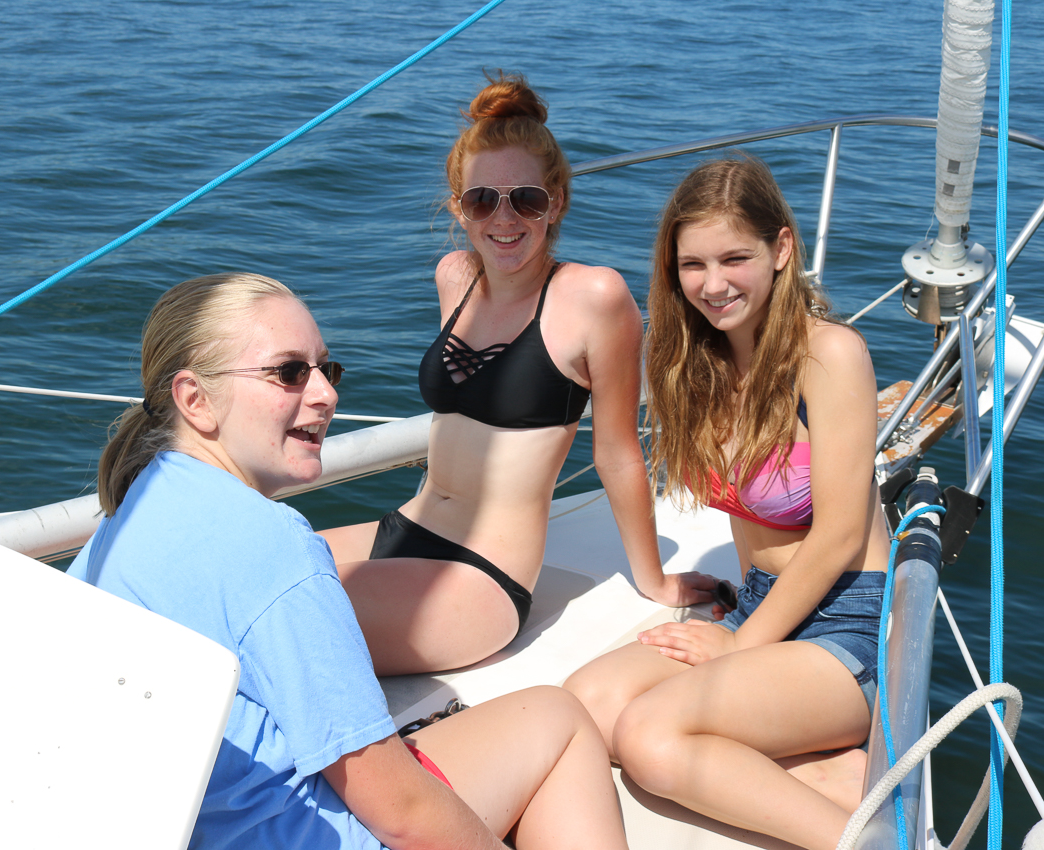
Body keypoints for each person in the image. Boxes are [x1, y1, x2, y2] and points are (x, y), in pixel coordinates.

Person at [68, 273, 628, 850]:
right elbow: (403, 814)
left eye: (325, 369)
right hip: (301, 836)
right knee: (558, 719)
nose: (326, 394)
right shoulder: (273, 545)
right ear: (195, 400)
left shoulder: (127, 516)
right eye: (289, 372)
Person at [320, 71, 718, 676]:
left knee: (291, 617)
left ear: (556, 202)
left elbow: (616, 453)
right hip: (403, 528)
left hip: (482, 576)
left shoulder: (594, 297)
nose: (503, 218)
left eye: (525, 198)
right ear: (460, 207)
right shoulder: (454, 276)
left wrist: (655, 581)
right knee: (241, 569)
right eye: (482, 199)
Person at [563, 155, 890, 849]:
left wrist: (741, 644)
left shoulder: (829, 354)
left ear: (781, 249)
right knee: (584, 706)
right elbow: (614, 444)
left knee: (648, 738)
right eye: (692, 264)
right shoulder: (694, 365)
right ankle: (818, 771)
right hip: (759, 600)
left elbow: (838, 535)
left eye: (734, 258)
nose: (712, 285)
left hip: (846, 623)